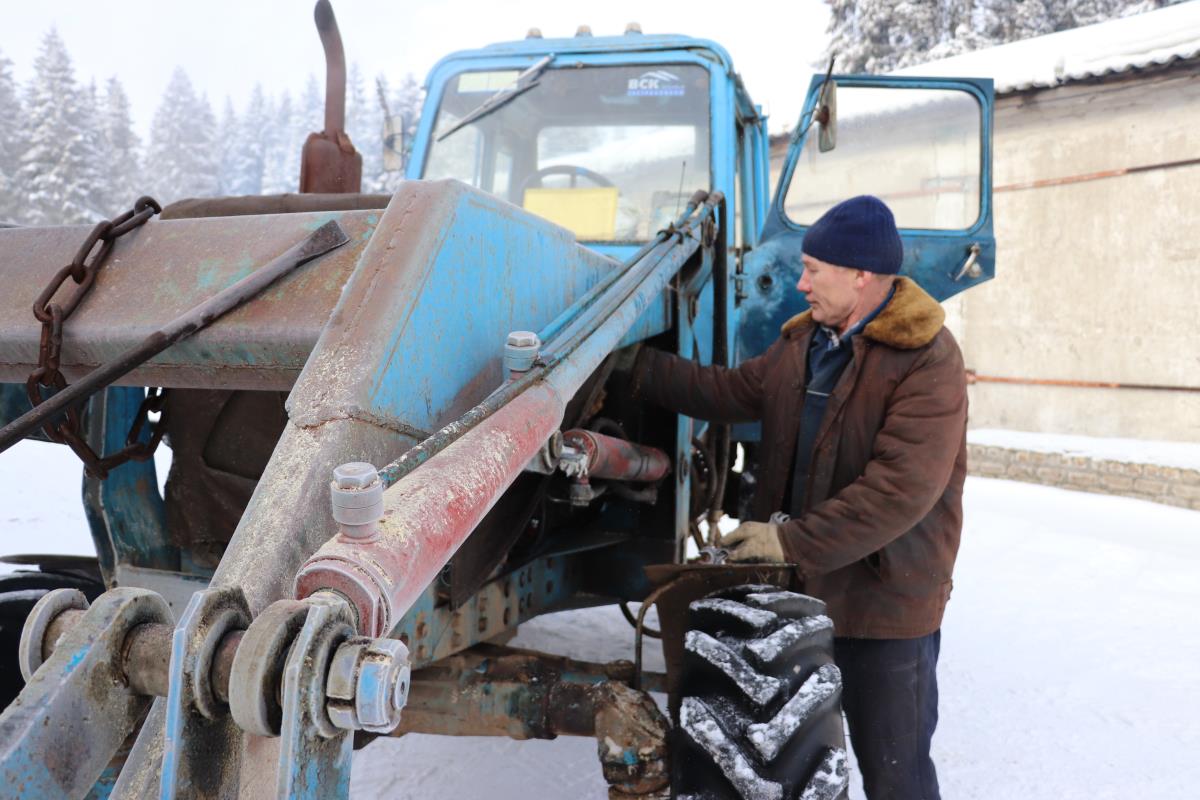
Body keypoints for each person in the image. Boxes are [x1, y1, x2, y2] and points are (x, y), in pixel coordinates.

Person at [632, 195, 966, 800]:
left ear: (860, 275)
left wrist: (785, 539)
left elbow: (900, 491)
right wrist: (632, 367)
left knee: (896, 773)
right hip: (797, 595)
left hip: (882, 604)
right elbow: (729, 392)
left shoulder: (927, 360)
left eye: (815, 269)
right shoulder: (804, 344)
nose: (801, 281)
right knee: (788, 763)